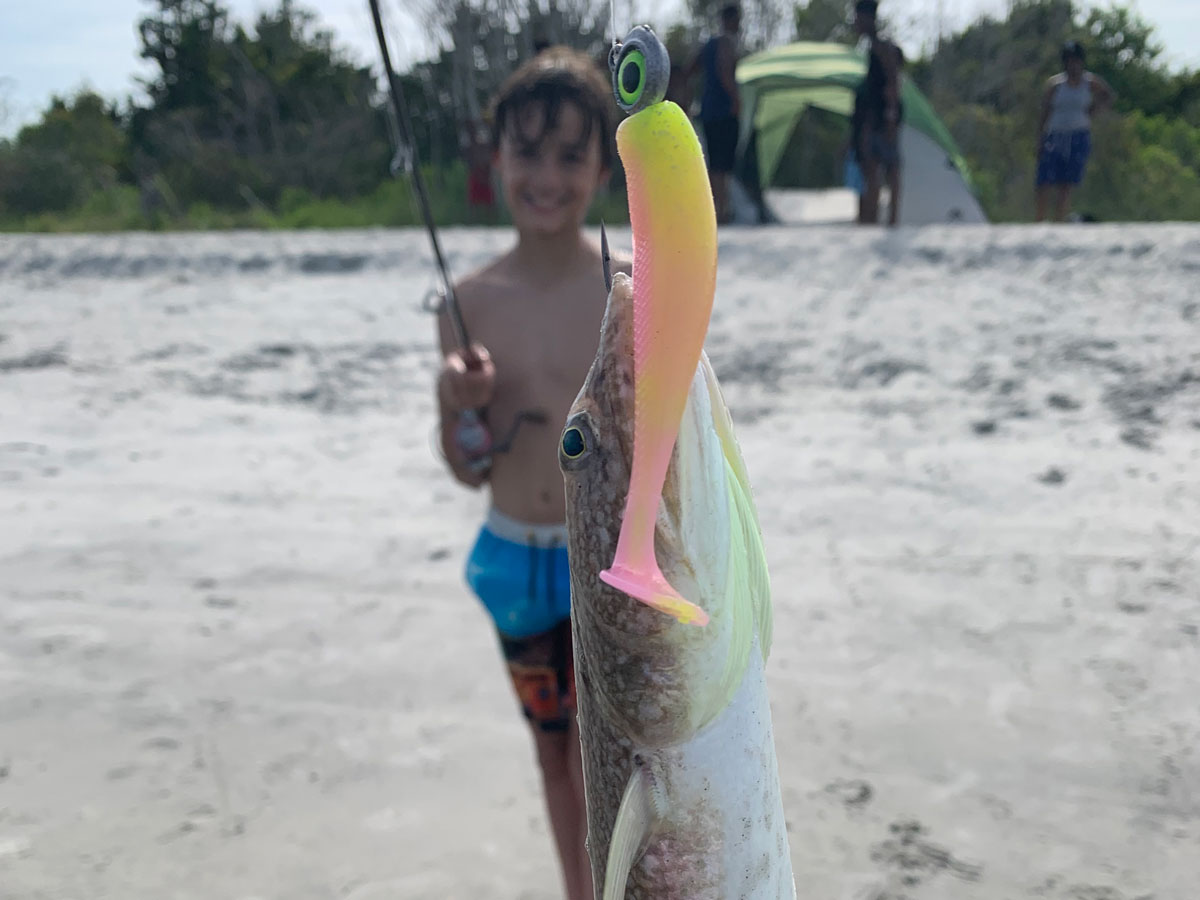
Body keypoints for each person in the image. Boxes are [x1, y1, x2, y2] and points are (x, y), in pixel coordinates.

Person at [434, 46, 627, 900]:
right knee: (556, 748)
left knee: (623, 750)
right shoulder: (466, 305)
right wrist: (457, 405)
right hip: (514, 563)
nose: (546, 177)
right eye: (528, 152)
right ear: (497, 158)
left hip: (611, 567)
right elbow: (469, 469)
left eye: (570, 155)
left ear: (603, 167)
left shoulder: (627, 292)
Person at [1035, 41, 1115, 223]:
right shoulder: (1055, 84)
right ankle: (1039, 219)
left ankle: (1059, 219)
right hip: (1055, 134)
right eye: (1069, 61)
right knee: (1044, 181)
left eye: (1076, 60)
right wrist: (1040, 138)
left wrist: (1094, 110)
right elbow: (1044, 112)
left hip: (1079, 134)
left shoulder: (1090, 82)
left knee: (1067, 182)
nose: (1073, 65)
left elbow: (1108, 95)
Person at [687, 3, 742, 224]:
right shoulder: (726, 43)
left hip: (708, 111)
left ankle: (715, 209)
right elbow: (724, 70)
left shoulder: (707, 44)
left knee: (714, 162)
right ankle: (721, 209)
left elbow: (689, 70)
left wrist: (689, 99)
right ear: (730, 20)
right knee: (723, 163)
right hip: (723, 110)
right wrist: (736, 99)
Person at [851, 0, 905, 226]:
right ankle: (870, 219)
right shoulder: (868, 49)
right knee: (870, 168)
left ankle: (891, 220)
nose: (856, 23)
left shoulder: (883, 48)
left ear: (868, 18)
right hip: (872, 118)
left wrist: (890, 117)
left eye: (858, 18)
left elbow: (893, 84)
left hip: (884, 117)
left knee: (889, 168)